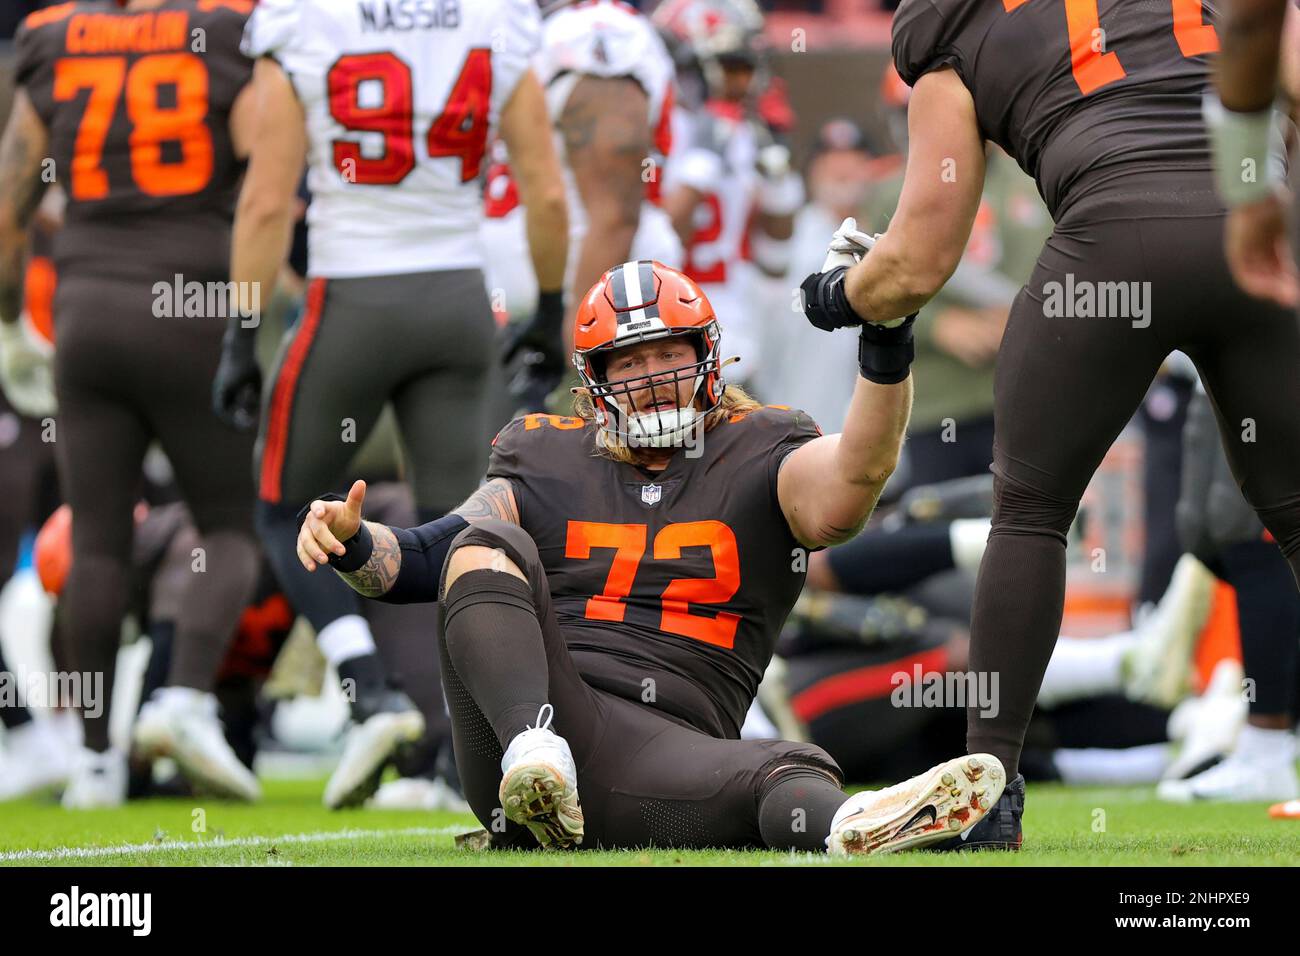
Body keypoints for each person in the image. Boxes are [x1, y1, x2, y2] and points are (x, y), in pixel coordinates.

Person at [799, 0, 1300, 849]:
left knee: (1028, 514)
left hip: (1109, 241)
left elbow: (918, 257)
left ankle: (991, 789)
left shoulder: (954, 24)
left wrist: (835, 294)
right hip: (1255, 218)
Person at [294, 258, 1003, 854]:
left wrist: (885, 342)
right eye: (629, 361)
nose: (653, 375)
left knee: (784, 770)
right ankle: (535, 758)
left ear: (708, 356)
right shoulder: (541, 455)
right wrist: (349, 538)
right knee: (489, 541)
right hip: (524, 734)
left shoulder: (763, 446)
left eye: (669, 353)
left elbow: (855, 480)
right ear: (594, 379)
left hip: (665, 756)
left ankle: (857, 824)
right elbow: (423, 560)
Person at [219, 0, 568, 807]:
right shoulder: (495, 17)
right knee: (472, 538)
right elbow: (547, 192)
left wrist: (242, 332)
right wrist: (549, 309)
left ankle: (366, 686)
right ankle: (475, 755)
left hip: (351, 301)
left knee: (280, 510)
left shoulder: (304, 19)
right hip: (456, 301)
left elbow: (268, 202)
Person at [1, 0, 264, 808]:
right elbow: (267, 177)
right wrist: (251, 318)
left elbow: (13, 188)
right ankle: (180, 700)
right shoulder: (229, 29)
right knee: (227, 526)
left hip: (86, 306)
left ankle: (92, 761)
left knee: (97, 544)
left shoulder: (55, 34)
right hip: (193, 296)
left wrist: (10, 318)